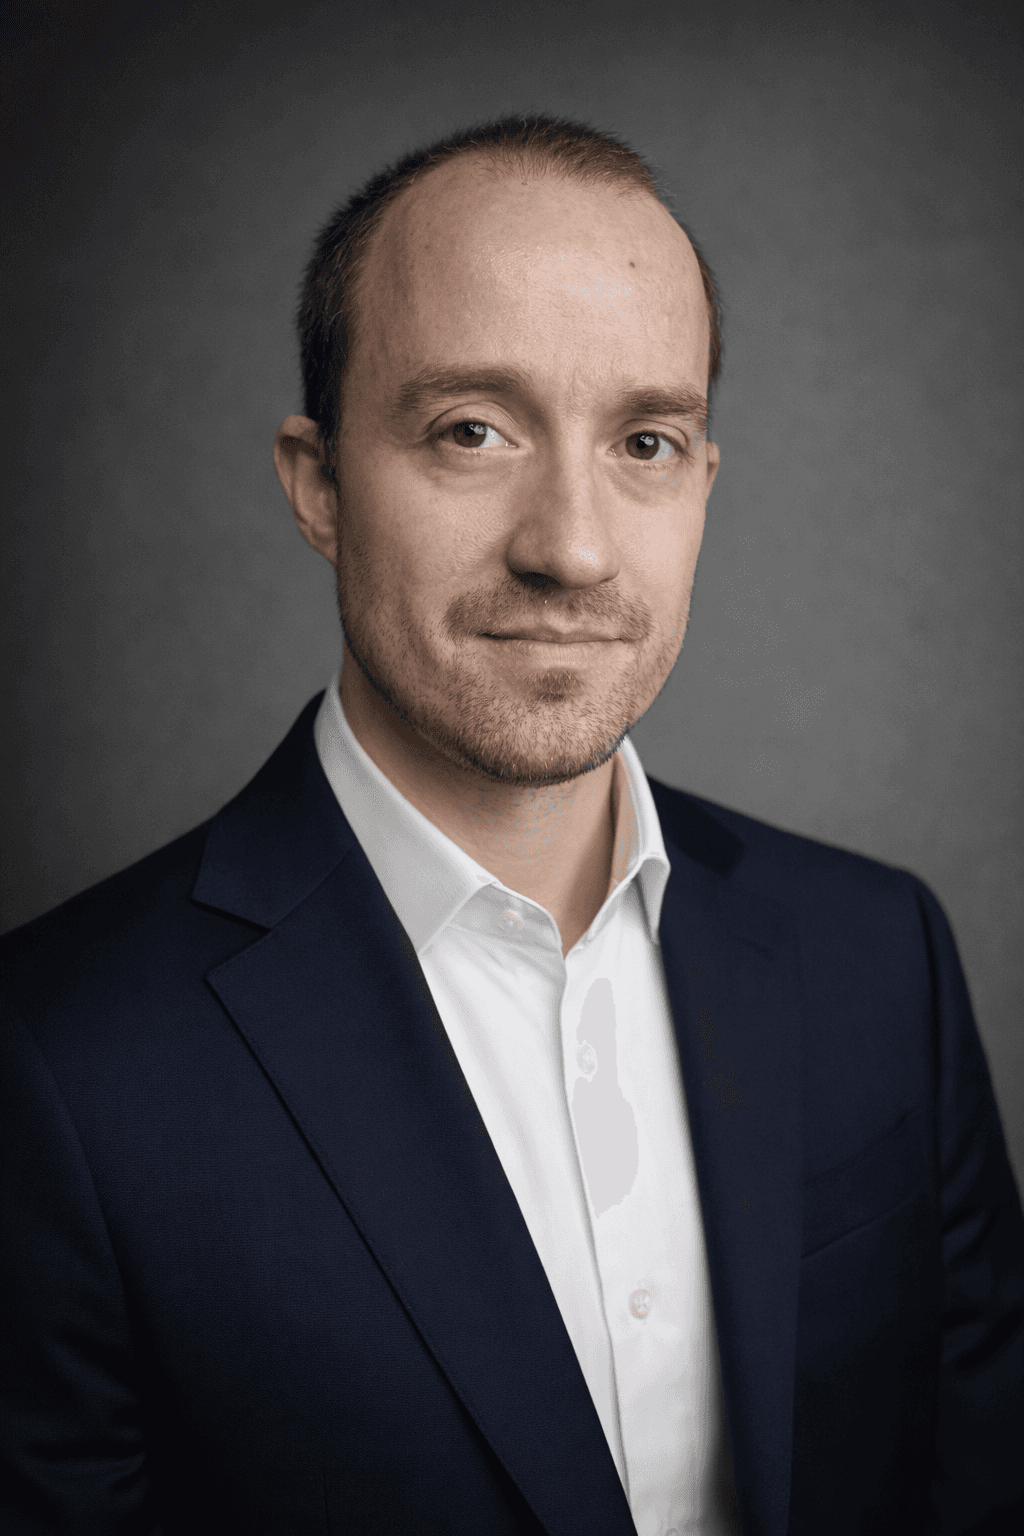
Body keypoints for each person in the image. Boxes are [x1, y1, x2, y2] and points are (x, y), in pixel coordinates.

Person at [1, 114, 1021, 1536]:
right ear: (318, 486)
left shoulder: (880, 955)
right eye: (471, 431)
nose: (573, 546)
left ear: (702, 487)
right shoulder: (56, 1062)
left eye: (645, 441)